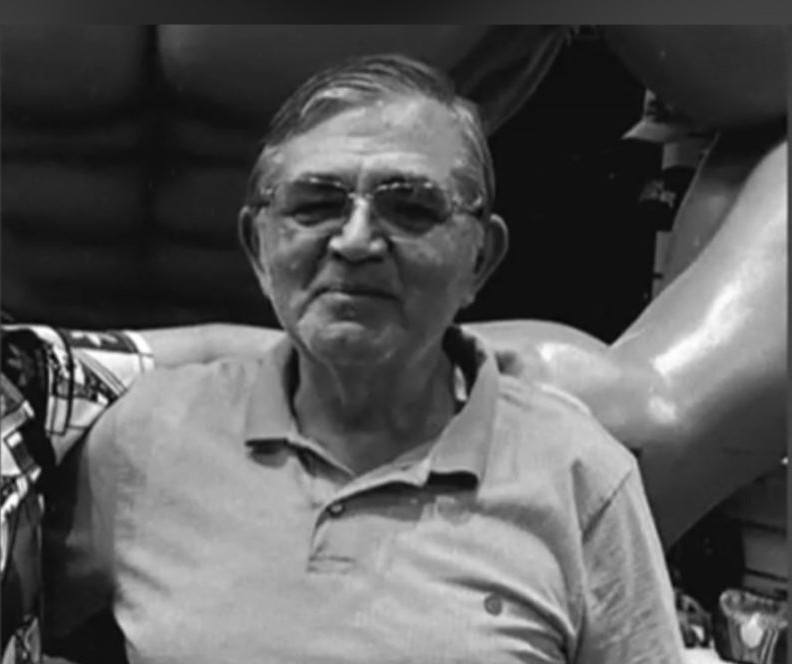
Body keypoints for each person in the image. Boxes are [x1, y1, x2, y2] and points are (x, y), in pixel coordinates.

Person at [38, 54, 684, 663]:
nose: (354, 241)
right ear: (258, 248)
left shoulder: (580, 476)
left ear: (480, 258)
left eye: (410, 207)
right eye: (315, 205)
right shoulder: (143, 441)